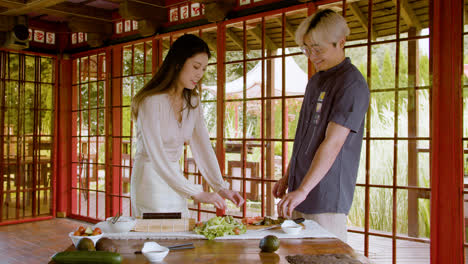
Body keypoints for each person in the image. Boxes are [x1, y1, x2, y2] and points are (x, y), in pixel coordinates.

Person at [273, 9, 370, 242]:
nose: (312, 56)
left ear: (341, 43)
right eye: (306, 49)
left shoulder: (352, 84)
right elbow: (304, 138)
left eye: (318, 49)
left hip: (326, 198)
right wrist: (288, 178)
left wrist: (303, 190)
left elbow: (334, 142)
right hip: (300, 191)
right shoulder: (316, 80)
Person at [130, 34, 244, 218]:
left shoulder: (192, 100)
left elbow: (202, 145)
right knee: (156, 238)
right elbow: (156, 154)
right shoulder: (150, 102)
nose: (200, 74)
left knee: (179, 235)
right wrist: (194, 192)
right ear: (178, 63)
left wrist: (222, 188)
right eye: (196, 67)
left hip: (175, 178)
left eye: (204, 69)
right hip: (150, 179)